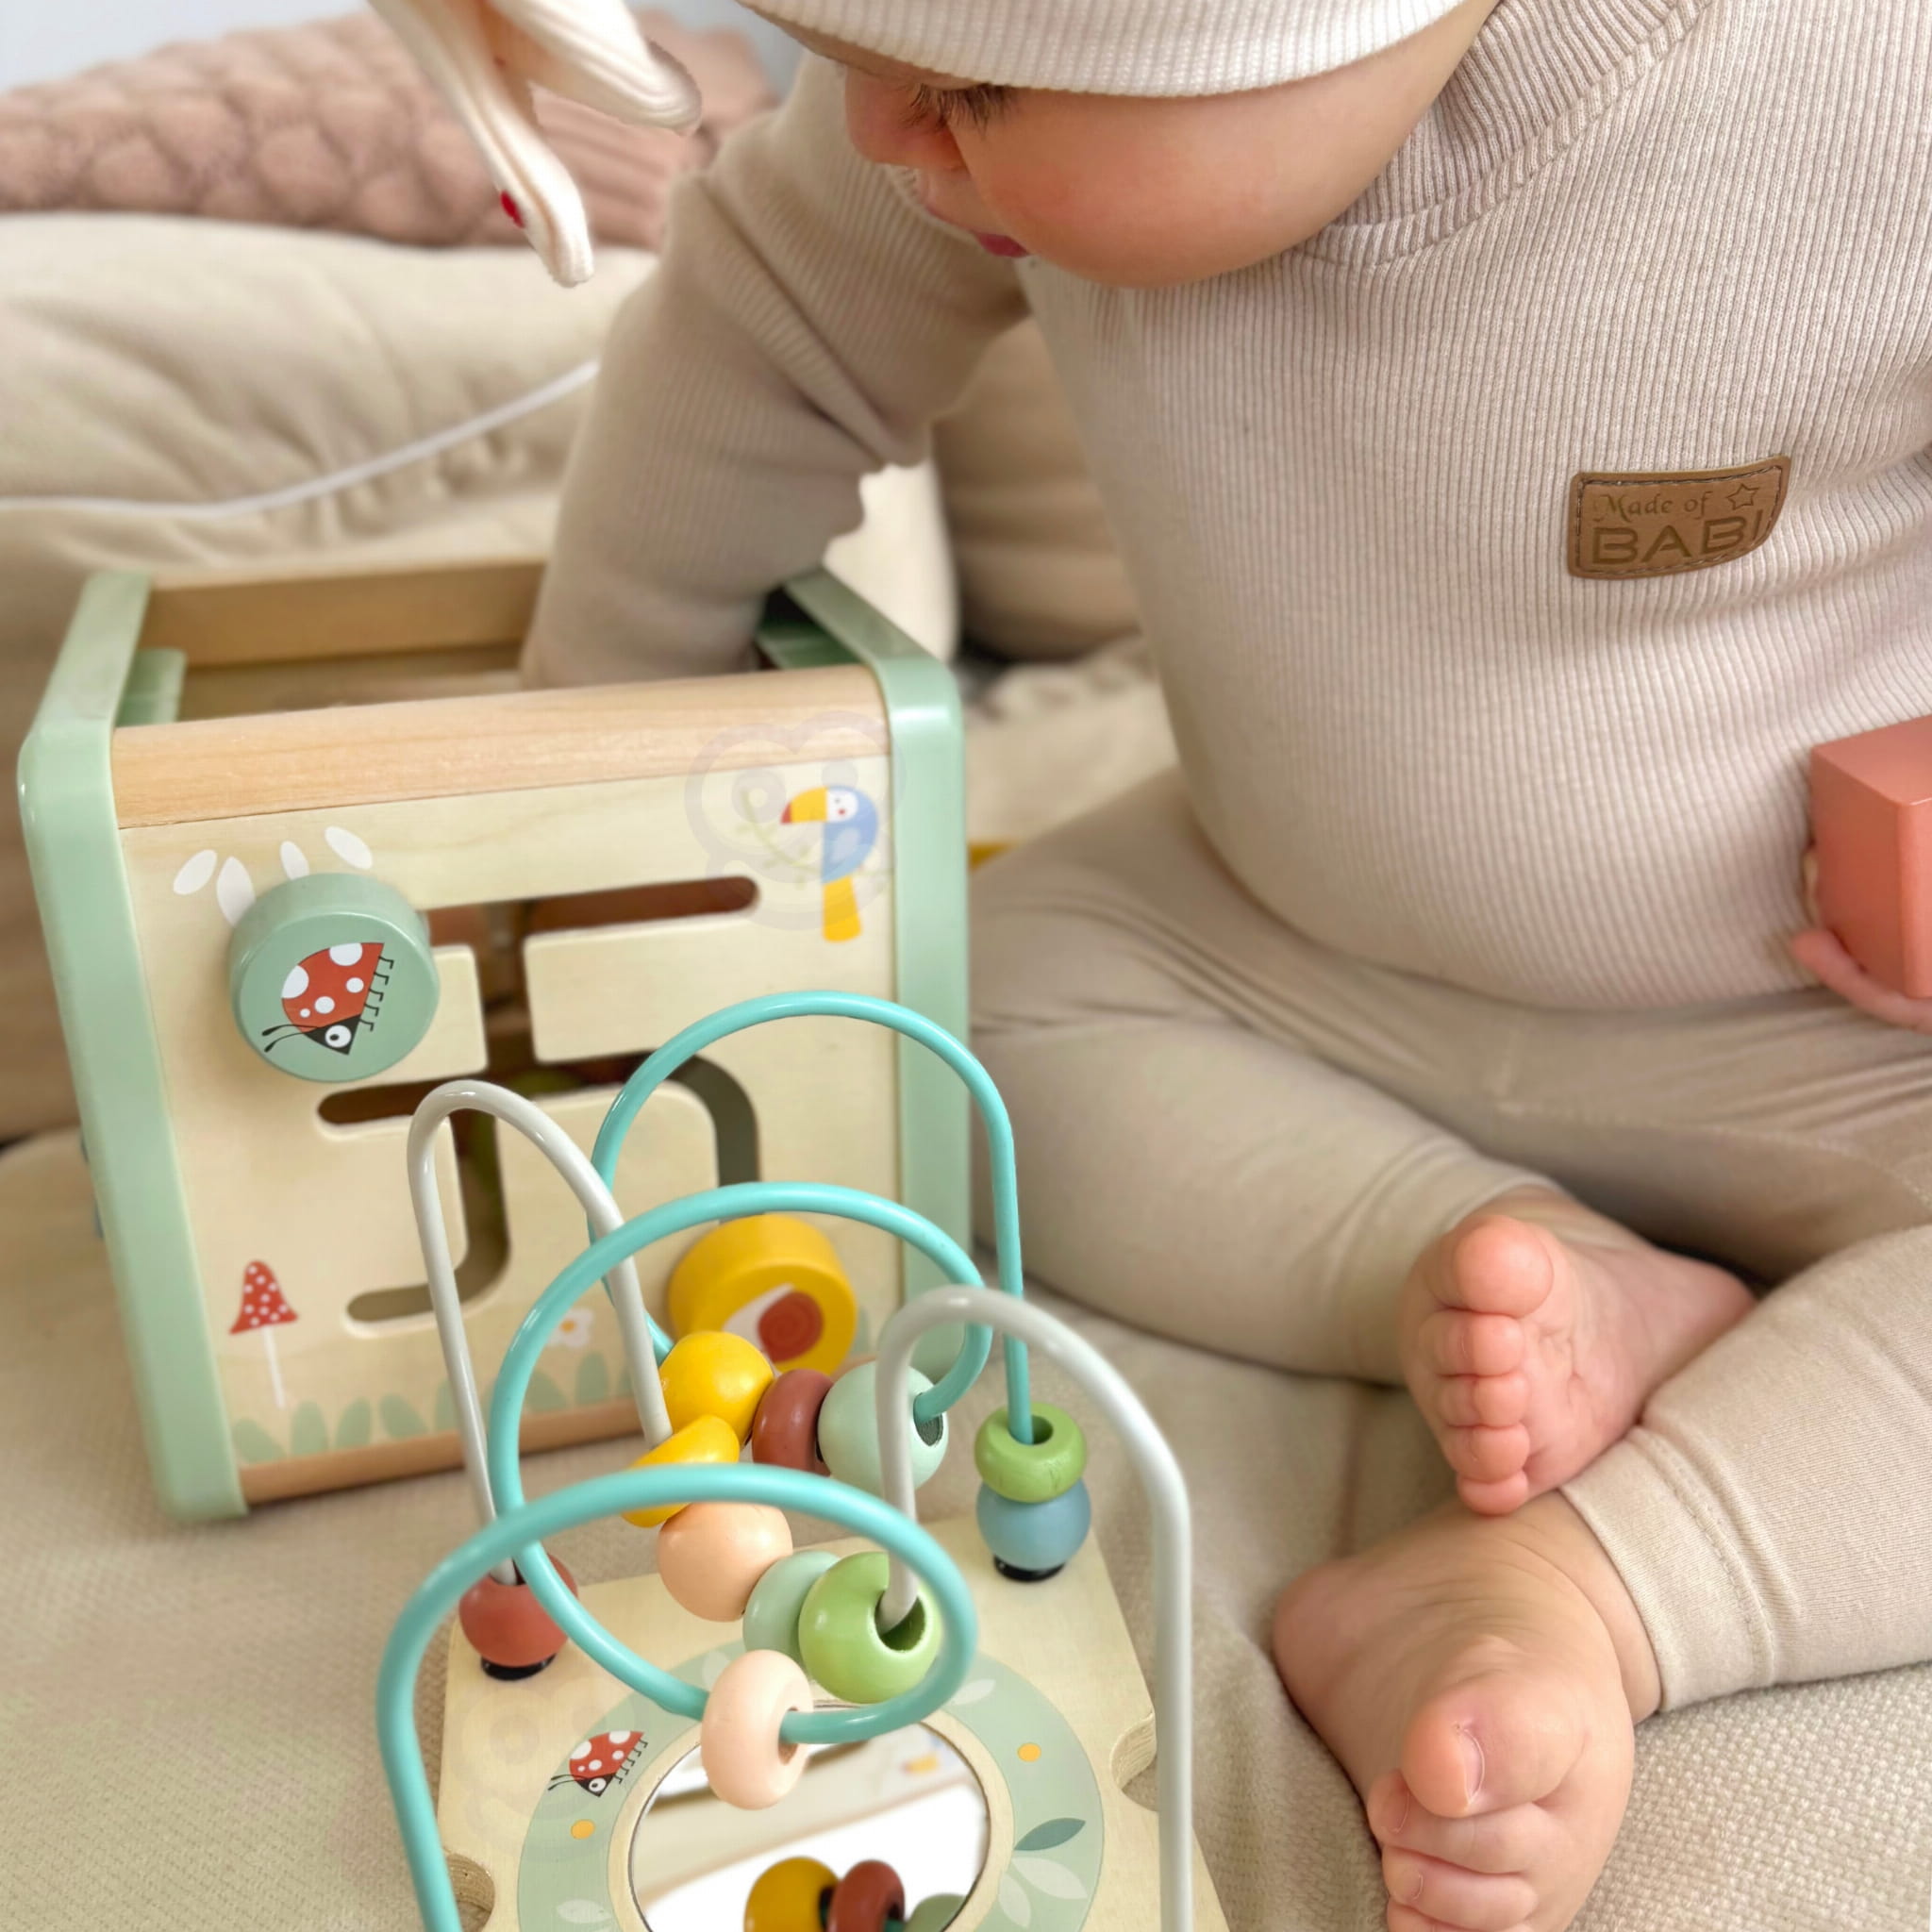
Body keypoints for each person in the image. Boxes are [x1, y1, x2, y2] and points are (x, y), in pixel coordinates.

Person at [519, 3, 1932, 1925]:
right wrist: (575, 785)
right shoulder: (939, 137)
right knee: (918, 1021)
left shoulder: (1863, 85)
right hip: (1270, 945)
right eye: (836, 45)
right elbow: (758, 332)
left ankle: (1588, 1582)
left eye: (972, 87)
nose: (877, 131)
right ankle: (1486, 1262)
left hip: (1816, 1030)